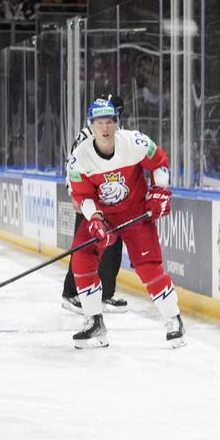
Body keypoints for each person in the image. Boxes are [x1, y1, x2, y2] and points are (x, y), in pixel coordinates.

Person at [67, 96, 183, 349]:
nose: (105, 128)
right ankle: (94, 323)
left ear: (117, 123)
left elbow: (159, 163)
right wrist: (95, 220)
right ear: (91, 126)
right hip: (104, 215)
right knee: (82, 257)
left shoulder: (135, 142)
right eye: (99, 123)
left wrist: (160, 191)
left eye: (110, 122)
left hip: (135, 212)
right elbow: (82, 195)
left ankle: (174, 319)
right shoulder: (79, 158)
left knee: (148, 266)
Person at [61, 92, 129, 316]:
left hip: (112, 203)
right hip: (89, 200)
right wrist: (75, 194)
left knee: (113, 246)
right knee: (84, 247)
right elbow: (72, 168)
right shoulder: (85, 137)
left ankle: (106, 293)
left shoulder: (119, 138)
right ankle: (71, 293)